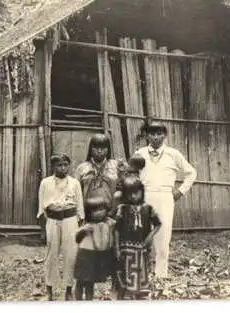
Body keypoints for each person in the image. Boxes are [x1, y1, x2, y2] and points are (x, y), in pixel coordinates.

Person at [136, 121, 197, 278]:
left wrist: (180, 191)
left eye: (159, 134)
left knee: (163, 236)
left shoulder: (173, 154)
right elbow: (131, 174)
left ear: (165, 135)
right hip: (144, 197)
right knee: (143, 234)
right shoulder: (140, 153)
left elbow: (191, 173)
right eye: (152, 134)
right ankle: (142, 274)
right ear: (146, 135)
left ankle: (161, 275)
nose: (156, 137)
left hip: (165, 197)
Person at [75, 133, 123, 294]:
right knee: (89, 251)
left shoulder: (116, 166)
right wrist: (80, 217)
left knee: (113, 250)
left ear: (108, 149)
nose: (100, 151)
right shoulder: (82, 168)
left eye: (103, 148)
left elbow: (123, 189)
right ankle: (86, 286)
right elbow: (77, 193)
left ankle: (116, 284)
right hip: (90, 216)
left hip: (110, 215)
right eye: (96, 147)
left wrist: (117, 211)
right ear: (91, 149)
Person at [37, 153, 84, 301]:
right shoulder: (45, 183)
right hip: (52, 220)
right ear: (53, 166)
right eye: (59, 165)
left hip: (70, 220)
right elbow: (41, 208)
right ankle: (49, 289)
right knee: (51, 255)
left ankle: (69, 289)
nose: (63, 168)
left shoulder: (74, 183)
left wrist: (80, 225)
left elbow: (80, 207)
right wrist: (43, 229)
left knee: (71, 255)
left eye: (65, 165)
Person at [115, 164, 162, 300]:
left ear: (142, 191)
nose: (134, 195)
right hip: (126, 249)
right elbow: (116, 229)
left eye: (137, 192)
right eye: (130, 193)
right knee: (125, 272)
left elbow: (158, 224)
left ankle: (141, 294)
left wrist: (150, 236)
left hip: (142, 248)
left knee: (141, 270)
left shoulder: (148, 208)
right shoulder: (122, 208)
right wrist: (117, 248)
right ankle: (128, 295)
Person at [73, 196, 116, 301]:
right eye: (95, 210)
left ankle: (88, 300)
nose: (99, 213)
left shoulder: (109, 223)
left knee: (90, 282)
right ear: (89, 213)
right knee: (81, 280)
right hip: (85, 255)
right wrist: (83, 231)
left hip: (96, 256)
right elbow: (77, 239)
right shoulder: (87, 226)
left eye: (102, 209)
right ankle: (78, 300)